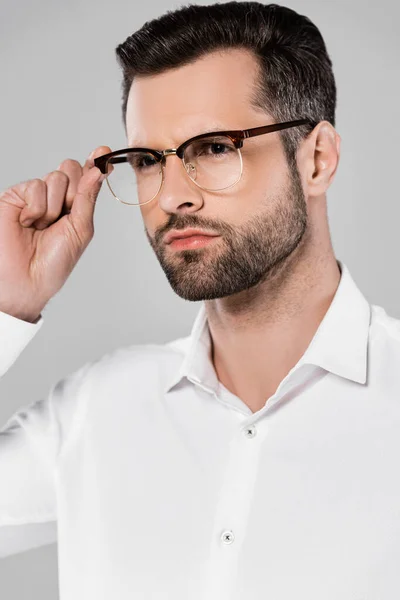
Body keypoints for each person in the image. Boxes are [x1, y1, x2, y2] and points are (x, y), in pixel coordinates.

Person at [1, 2, 399, 598]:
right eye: (145, 161)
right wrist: (6, 306)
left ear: (317, 158)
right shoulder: (95, 411)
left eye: (214, 148)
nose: (172, 197)